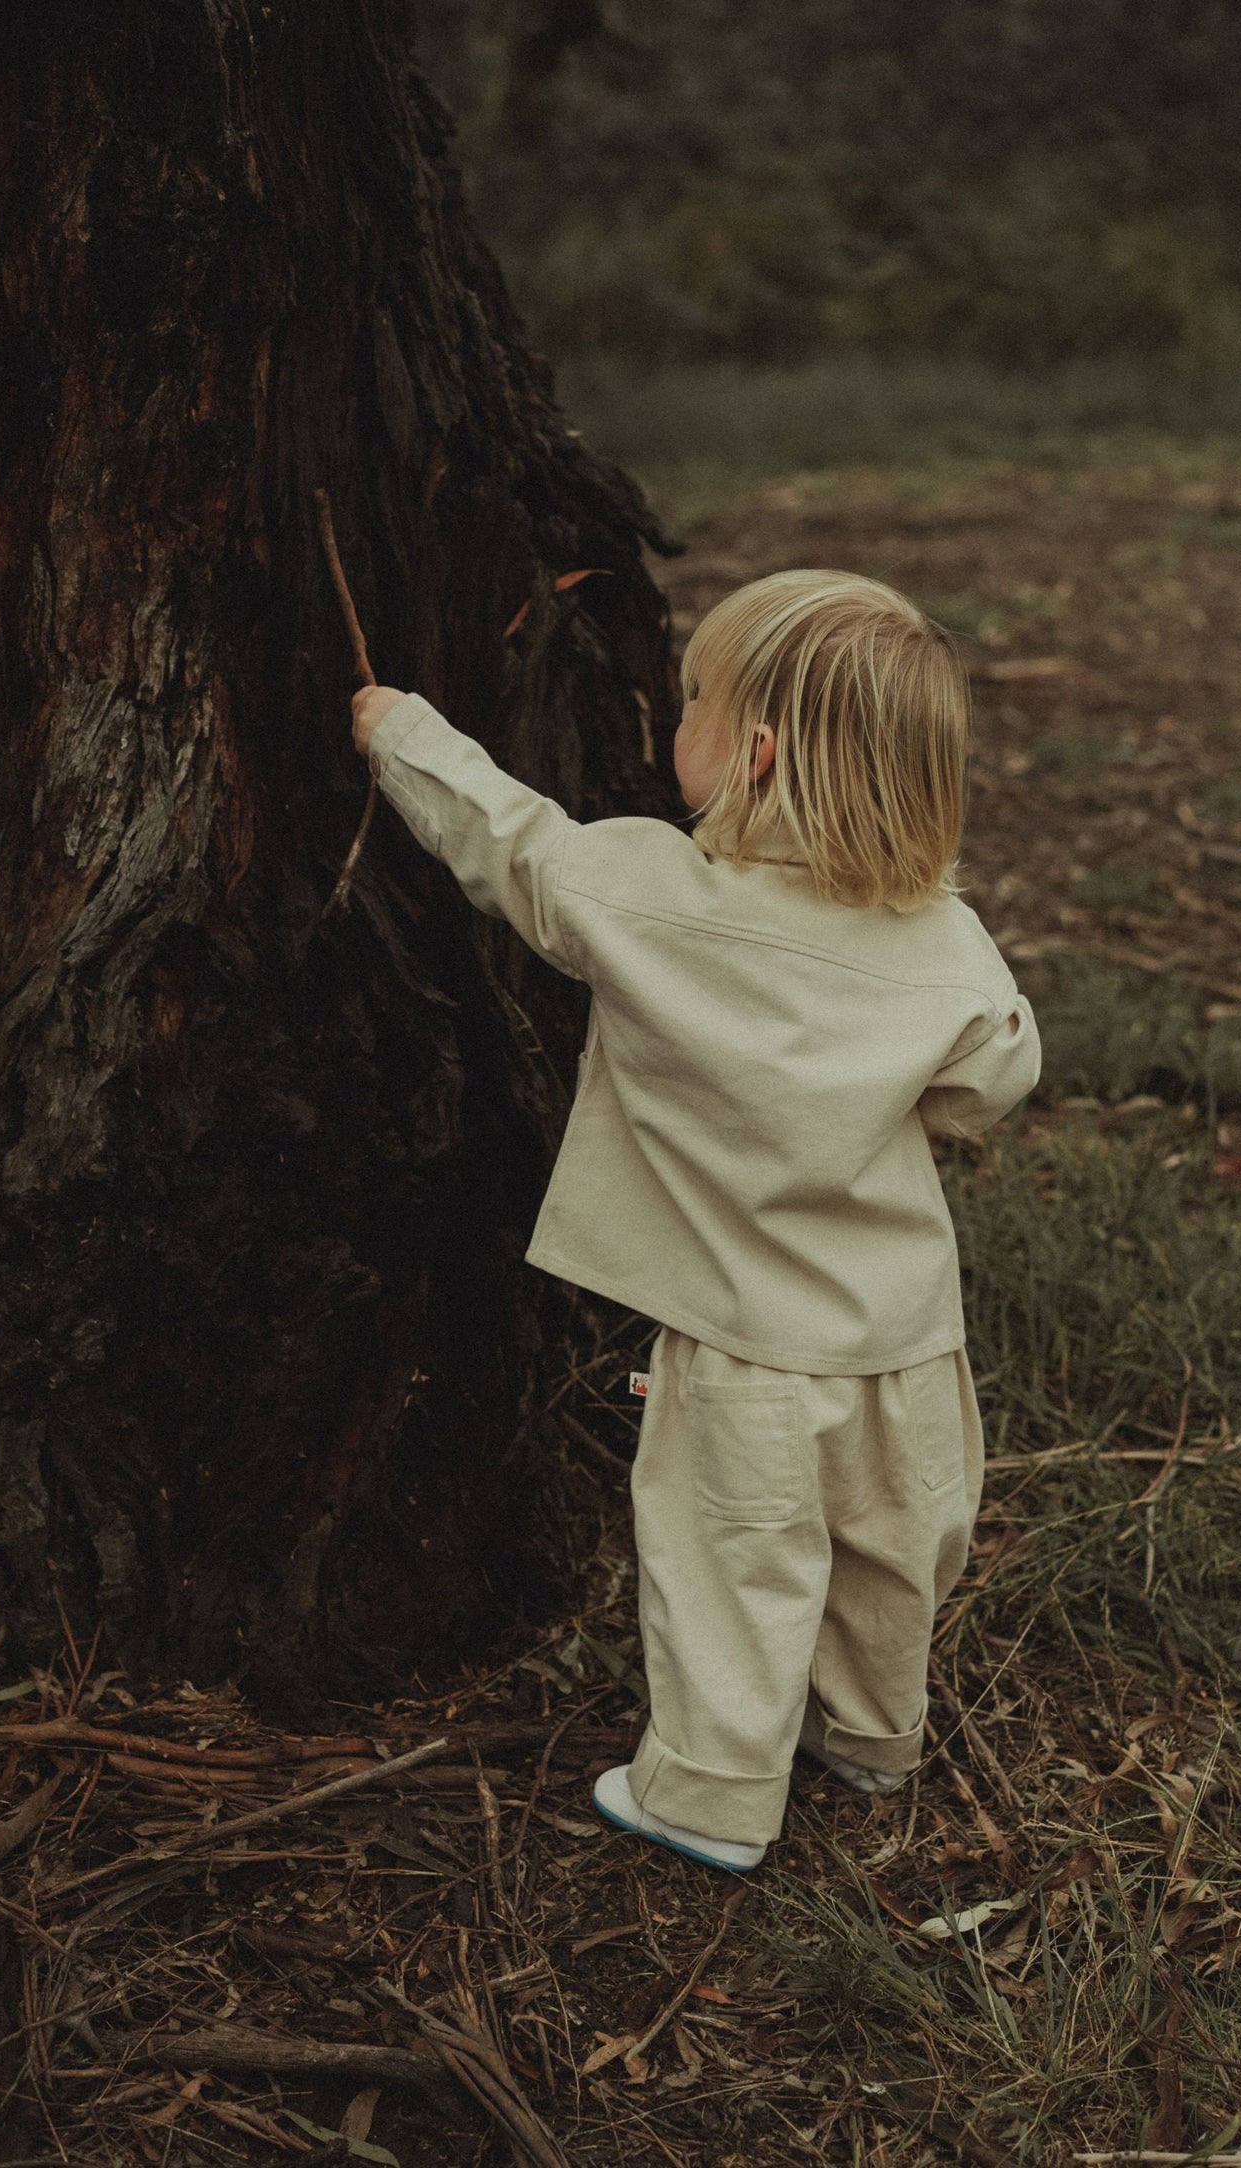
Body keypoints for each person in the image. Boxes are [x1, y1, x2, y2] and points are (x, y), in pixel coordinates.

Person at [352, 568, 1040, 1874]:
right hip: (904, 1344)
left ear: (756, 752)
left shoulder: (658, 899)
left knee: (733, 1561)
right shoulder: (941, 933)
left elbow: (519, 848)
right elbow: (993, 1078)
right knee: (894, 1554)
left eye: (693, 700)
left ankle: (712, 1794)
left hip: (743, 1348)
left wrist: (404, 738)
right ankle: (873, 1736)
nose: (676, 720)